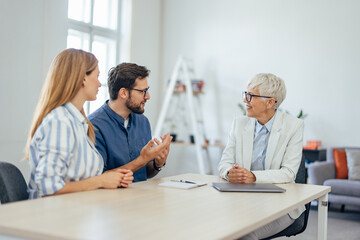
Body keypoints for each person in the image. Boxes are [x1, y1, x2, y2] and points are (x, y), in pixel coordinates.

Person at [26, 49, 133, 199]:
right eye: (96, 76)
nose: (99, 83)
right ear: (83, 78)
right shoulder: (59, 122)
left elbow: (78, 179)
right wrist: (100, 181)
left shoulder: (77, 122)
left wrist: (111, 177)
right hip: (52, 216)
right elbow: (48, 188)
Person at [218, 73, 305, 240]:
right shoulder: (239, 123)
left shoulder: (294, 126)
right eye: (245, 94)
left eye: (250, 96)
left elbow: (288, 173)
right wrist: (230, 172)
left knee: (242, 236)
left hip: (281, 204)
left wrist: (253, 176)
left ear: (270, 102)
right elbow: (224, 162)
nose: (245, 100)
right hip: (243, 201)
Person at [88, 63, 172, 182]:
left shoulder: (143, 122)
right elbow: (98, 179)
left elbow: (145, 173)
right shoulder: (93, 126)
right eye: (142, 91)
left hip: (141, 196)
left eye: (147, 90)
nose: (147, 96)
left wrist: (158, 164)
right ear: (123, 93)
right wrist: (142, 159)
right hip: (109, 199)